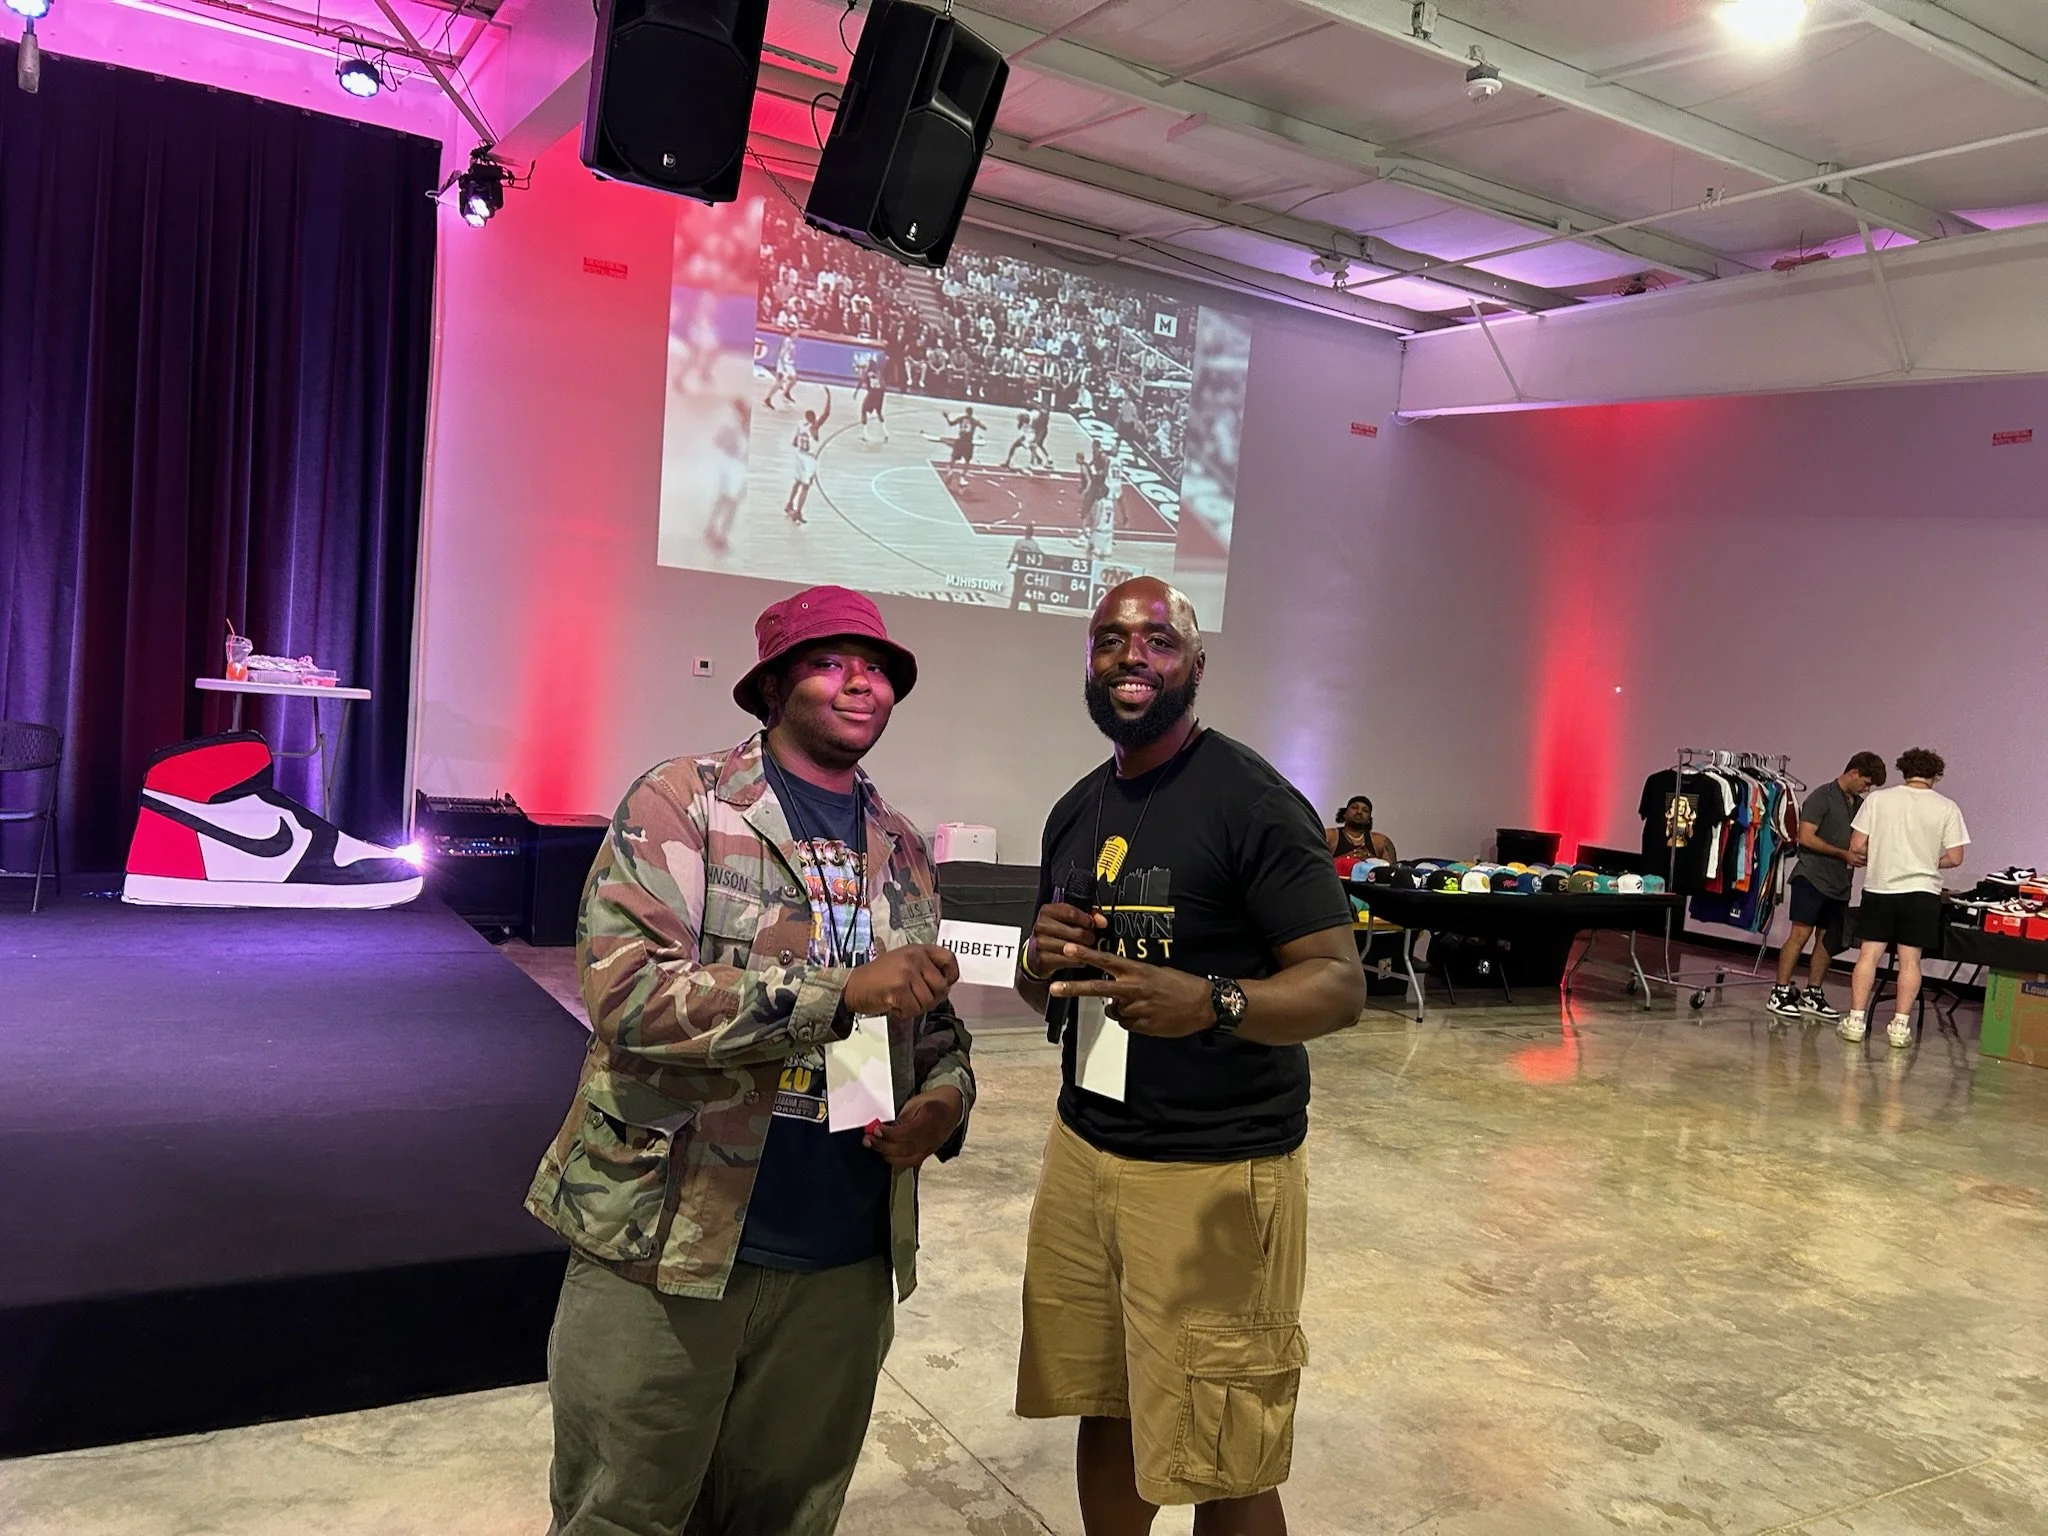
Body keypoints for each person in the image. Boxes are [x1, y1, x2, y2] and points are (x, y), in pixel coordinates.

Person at [530, 586, 976, 1536]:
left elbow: (929, 1030)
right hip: (667, 1241)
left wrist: (944, 1101)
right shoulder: (682, 802)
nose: (860, 681)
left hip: (841, 1254)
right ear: (772, 686)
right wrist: (836, 993)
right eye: (829, 661)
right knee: (624, 1511)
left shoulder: (900, 847)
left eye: (877, 668)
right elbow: (626, 995)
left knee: (785, 1515)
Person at [1012, 577, 1365, 1536]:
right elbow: (1040, 992)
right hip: (1086, 1146)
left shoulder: (1251, 800)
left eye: (1159, 640)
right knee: (1108, 1398)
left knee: (1223, 1447)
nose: (1134, 655)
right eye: (1112, 639)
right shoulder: (1076, 809)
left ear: (1194, 667)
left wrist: (1213, 1001)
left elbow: (1339, 984)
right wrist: (1040, 960)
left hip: (1213, 1166)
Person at [1839, 747, 1969, 1049]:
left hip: (1881, 887)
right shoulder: (1947, 807)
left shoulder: (1878, 799)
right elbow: (1956, 857)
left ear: (1904, 771)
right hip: (1921, 893)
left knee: (1868, 955)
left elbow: (1856, 845)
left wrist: (1886, 855)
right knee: (1911, 961)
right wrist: (1925, 861)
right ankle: (1900, 1026)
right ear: (1935, 775)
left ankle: (1856, 1020)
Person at [1767, 752, 1886, 1022]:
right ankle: (1780, 991)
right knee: (1800, 935)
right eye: (1866, 782)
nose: (1866, 789)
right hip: (1811, 878)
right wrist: (1842, 854)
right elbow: (1806, 837)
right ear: (1853, 772)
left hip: (1839, 884)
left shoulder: (1858, 804)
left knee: (1827, 940)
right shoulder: (1822, 796)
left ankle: (1813, 993)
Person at [703, 398, 750, 553]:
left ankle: (711, 528)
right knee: (731, 504)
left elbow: (716, 442)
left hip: (730, 465)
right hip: (734, 466)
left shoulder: (733, 423)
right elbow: (719, 442)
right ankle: (721, 536)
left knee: (724, 499)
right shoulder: (735, 425)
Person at [784, 385, 832, 524]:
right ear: (814, 418)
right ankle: (798, 512)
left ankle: (789, 504)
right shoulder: (814, 427)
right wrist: (829, 397)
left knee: (797, 482)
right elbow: (827, 413)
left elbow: (794, 442)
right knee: (805, 486)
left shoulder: (801, 424)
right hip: (809, 459)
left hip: (799, 455)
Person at [1327, 795, 1396, 866]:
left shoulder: (1381, 841)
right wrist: (1345, 859)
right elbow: (1318, 865)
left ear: (1369, 819)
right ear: (1344, 814)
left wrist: (1371, 859)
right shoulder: (1329, 836)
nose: (1359, 812)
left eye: (1365, 810)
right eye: (1354, 808)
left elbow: (1392, 871)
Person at [931, 407, 986, 491]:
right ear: (972, 413)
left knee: (953, 459)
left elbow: (951, 423)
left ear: (966, 412)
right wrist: (979, 424)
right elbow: (984, 428)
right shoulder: (974, 420)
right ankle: (962, 478)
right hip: (968, 443)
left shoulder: (961, 418)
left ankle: (950, 471)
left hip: (960, 441)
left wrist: (946, 417)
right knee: (967, 462)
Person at [1008, 523, 1047, 612]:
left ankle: (1013, 608)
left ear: (1025, 532)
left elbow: (1013, 553)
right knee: (1030, 589)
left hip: (1020, 569)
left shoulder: (1019, 542)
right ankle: (1034, 609)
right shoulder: (1034, 545)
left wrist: (1010, 562)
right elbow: (1039, 556)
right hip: (1029, 571)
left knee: (1016, 589)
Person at [763, 329, 799, 410]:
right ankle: (767, 398)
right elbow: (782, 354)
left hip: (789, 363)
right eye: (796, 333)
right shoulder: (787, 341)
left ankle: (786, 392)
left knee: (794, 378)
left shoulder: (792, 342)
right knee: (780, 382)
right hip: (784, 363)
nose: (798, 335)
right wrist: (782, 367)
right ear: (792, 333)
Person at [858, 357, 889, 444]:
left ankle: (865, 434)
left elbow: (861, 381)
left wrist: (856, 391)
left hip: (873, 394)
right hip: (880, 395)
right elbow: (883, 385)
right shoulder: (878, 374)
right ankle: (886, 433)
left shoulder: (868, 373)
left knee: (863, 410)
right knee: (879, 412)